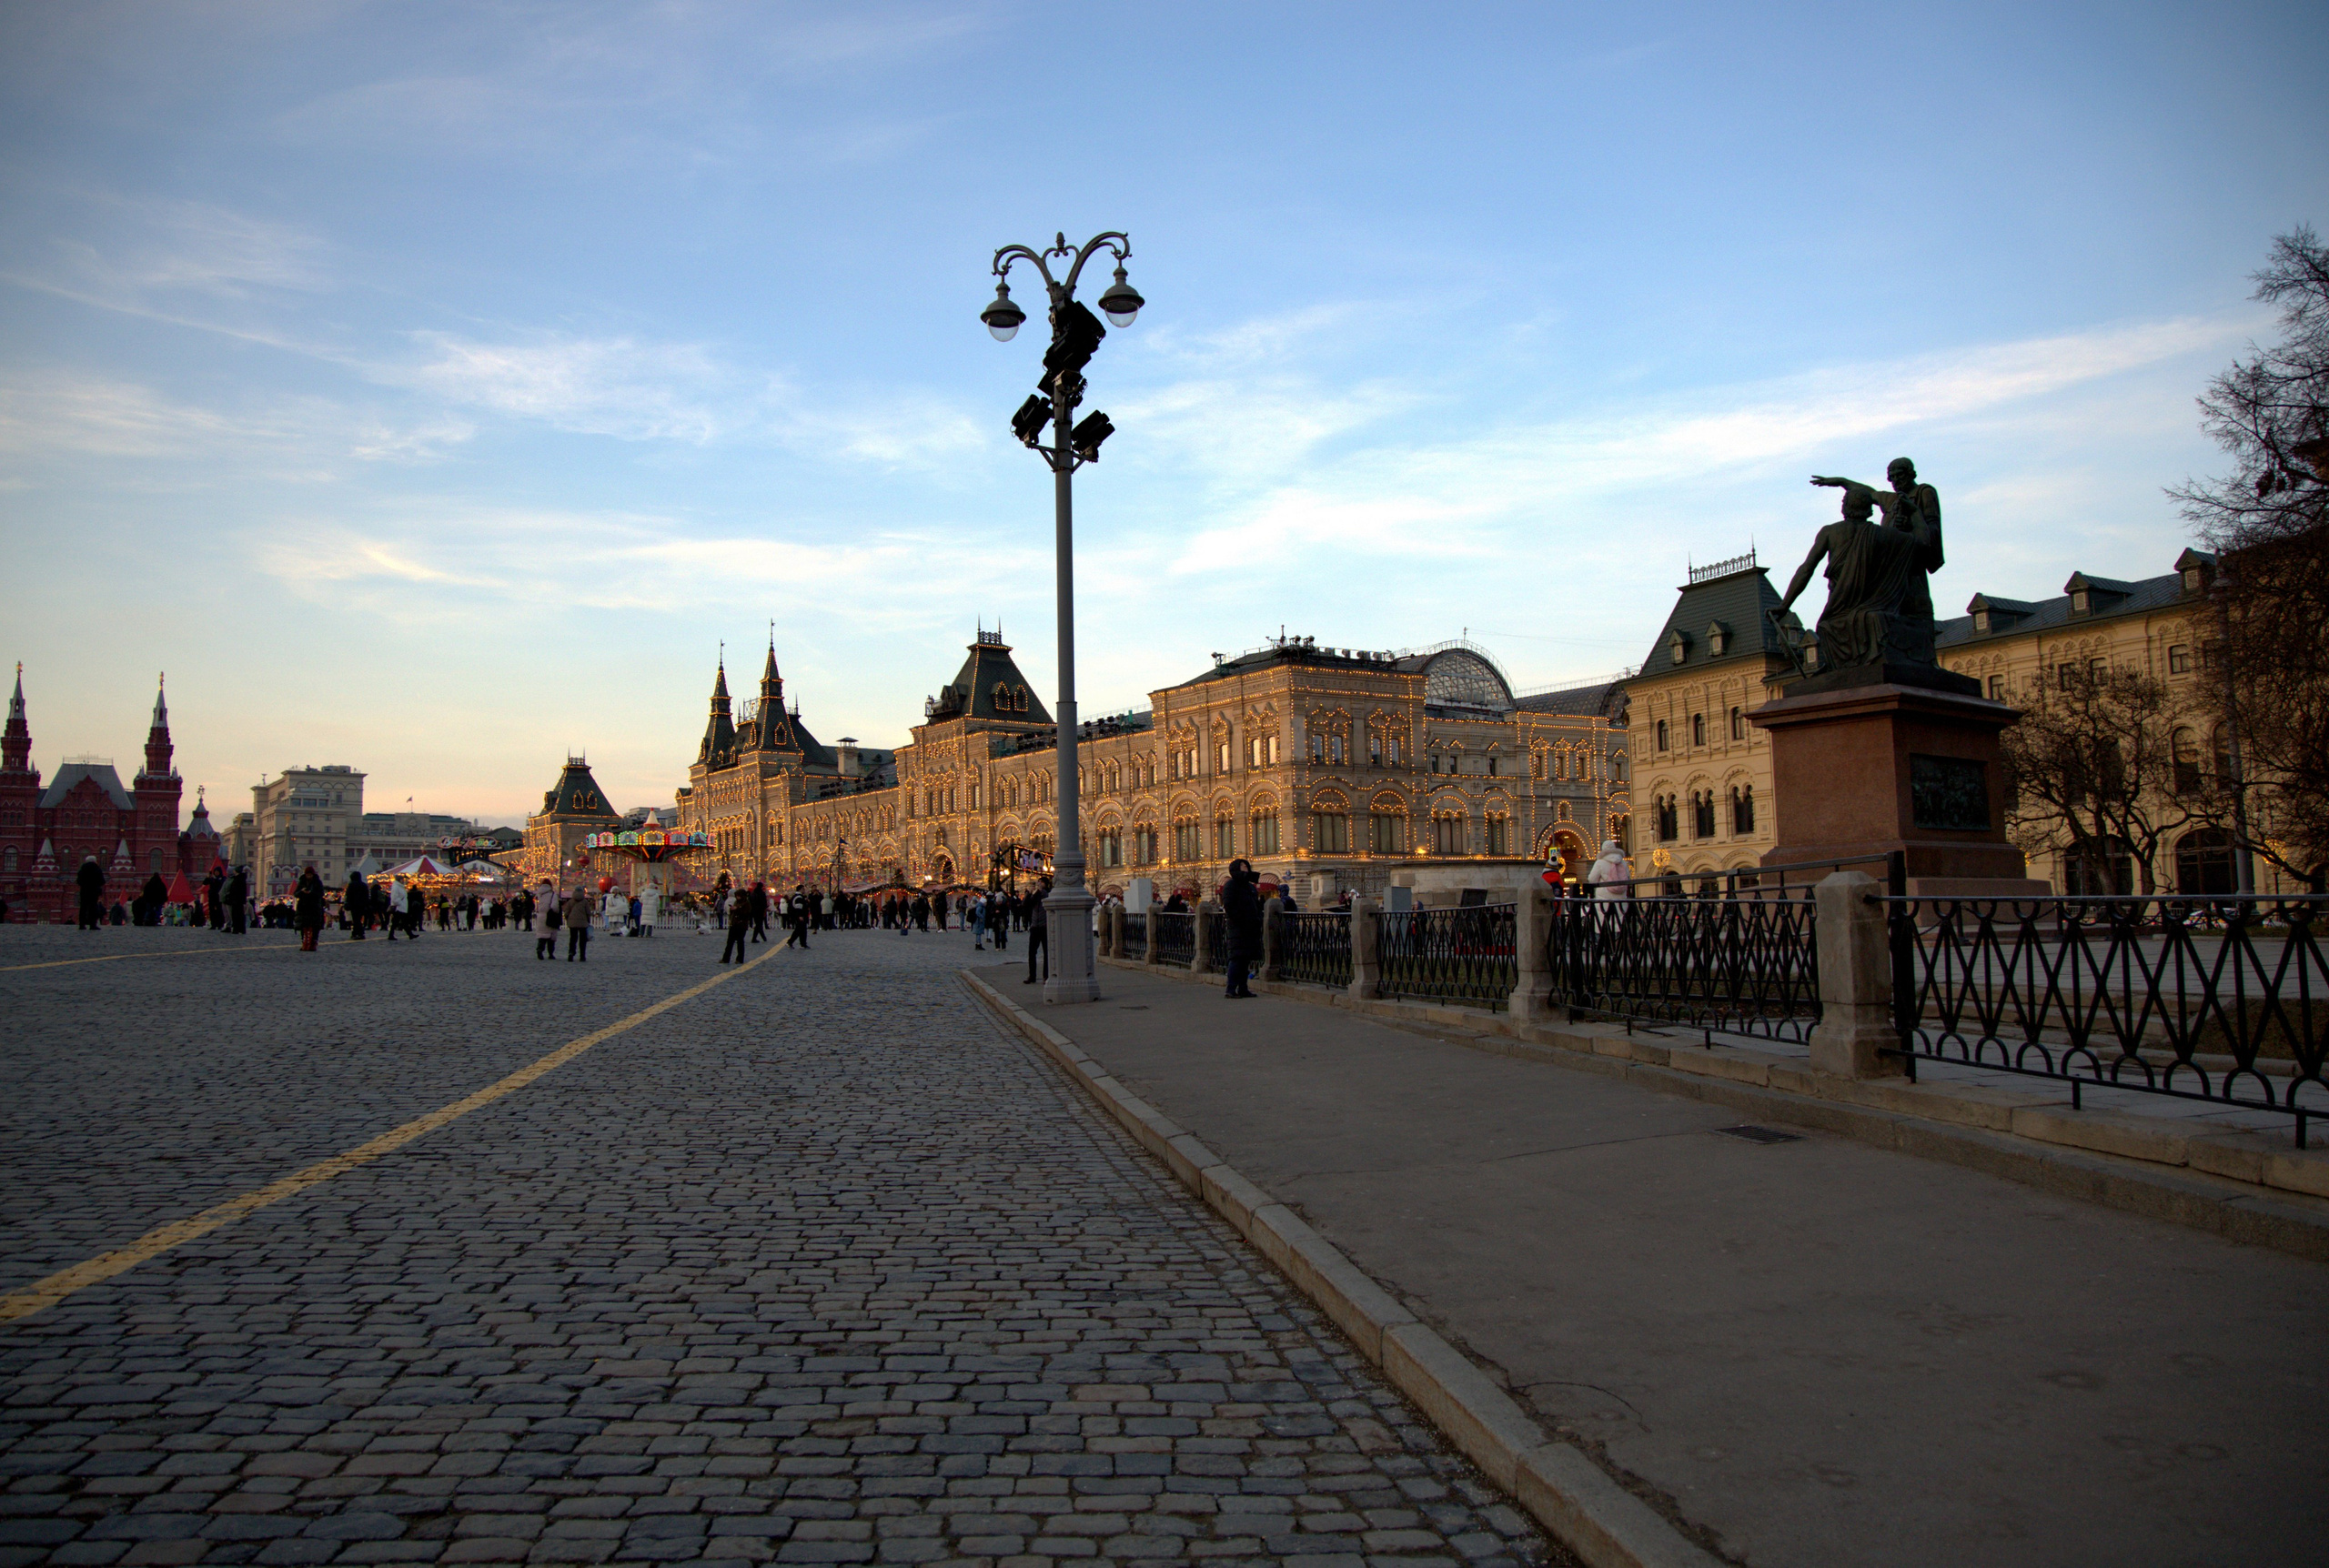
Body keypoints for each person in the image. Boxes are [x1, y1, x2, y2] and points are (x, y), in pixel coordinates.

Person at [1221, 858, 1263, 999]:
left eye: (1246, 866)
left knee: (1245, 959)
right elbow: (1229, 905)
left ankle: (1243, 988)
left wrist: (1257, 918)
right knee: (1236, 958)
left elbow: (1255, 905)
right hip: (1238, 928)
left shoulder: (1250, 886)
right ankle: (1230, 989)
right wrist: (1240, 919)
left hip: (1250, 927)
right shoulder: (1231, 885)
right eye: (1242, 866)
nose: (1245, 868)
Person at [1023, 877, 1051, 985]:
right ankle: (1032, 975)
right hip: (1035, 926)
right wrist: (1029, 893)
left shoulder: (1047, 893)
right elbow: (1026, 904)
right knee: (1031, 952)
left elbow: (1046, 897)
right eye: (1038, 882)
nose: (1039, 884)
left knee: (1046, 953)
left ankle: (1046, 975)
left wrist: (1040, 890)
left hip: (1045, 926)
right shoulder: (1035, 895)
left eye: (1041, 882)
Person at [294, 865, 326, 952]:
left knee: (314, 926)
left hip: (314, 908)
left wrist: (311, 893)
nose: (309, 876)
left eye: (310, 875)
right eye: (307, 875)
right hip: (303, 908)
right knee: (303, 926)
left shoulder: (317, 882)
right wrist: (302, 892)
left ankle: (313, 943)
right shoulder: (302, 881)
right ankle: (304, 943)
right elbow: (296, 893)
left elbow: (320, 894)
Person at [720, 883, 751, 964]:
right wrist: (732, 909)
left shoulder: (746, 903)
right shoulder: (736, 902)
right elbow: (733, 912)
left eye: (739, 896)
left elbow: (746, 913)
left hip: (741, 925)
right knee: (729, 942)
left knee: (740, 942)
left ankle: (739, 959)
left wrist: (737, 909)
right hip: (734, 924)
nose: (737, 897)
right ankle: (726, 958)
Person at [76, 855, 106, 930]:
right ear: (94, 861)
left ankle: (82, 925)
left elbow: (78, 881)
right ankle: (93, 925)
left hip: (84, 891)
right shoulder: (97, 868)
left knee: (83, 908)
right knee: (93, 907)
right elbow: (102, 881)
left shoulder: (82, 869)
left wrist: (84, 884)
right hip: (94, 891)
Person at [563, 885, 593, 961]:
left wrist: (568, 919)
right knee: (582, 940)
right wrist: (588, 921)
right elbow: (588, 913)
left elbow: (566, 912)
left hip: (572, 923)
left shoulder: (570, 901)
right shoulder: (585, 902)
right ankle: (582, 956)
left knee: (573, 939)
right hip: (583, 923)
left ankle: (571, 952)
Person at [537, 881, 561, 960]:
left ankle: (540, 949)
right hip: (550, 917)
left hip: (540, 917)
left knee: (542, 936)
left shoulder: (540, 894)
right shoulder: (553, 895)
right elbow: (554, 907)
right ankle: (550, 953)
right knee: (551, 937)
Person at [224, 866, 248, 934]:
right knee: (239, 915)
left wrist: (231, 896)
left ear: (236, 871)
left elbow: (236, 890)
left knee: (237, 915)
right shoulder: (240, 878)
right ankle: (240, 929)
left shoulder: (238, 879)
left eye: (234, 870)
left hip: (236, 900)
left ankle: (237, 929)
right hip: (238, 900)